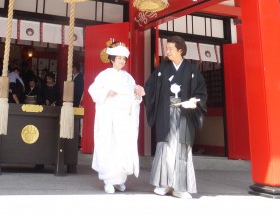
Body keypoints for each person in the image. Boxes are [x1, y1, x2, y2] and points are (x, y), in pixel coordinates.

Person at [144, 35, 207, 199]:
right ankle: (164, 185)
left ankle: (180, 187)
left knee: (181, 149)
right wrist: (143, 92)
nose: (167, 51)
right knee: (165, 148)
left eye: (170, 48)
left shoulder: (192, 70)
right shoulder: (162, 68)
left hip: (184, 114)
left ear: (180, 50)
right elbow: (150, 87)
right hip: (166, 112)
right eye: (167, 48)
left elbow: (201, 91)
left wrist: (194, 101)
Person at [88, 43, 145, 194]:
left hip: (123, 118)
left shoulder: (128, 78)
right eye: (119, 58)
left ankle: (119, 180)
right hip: (108, 117)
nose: (121, 61)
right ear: (112, 59)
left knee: (122, 147)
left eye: (123, 59)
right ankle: (108, 181)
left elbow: (134, 96)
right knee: (109, 147)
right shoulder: (104, 74)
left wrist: (137, 92)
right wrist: (107, 92)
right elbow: (93, 89)